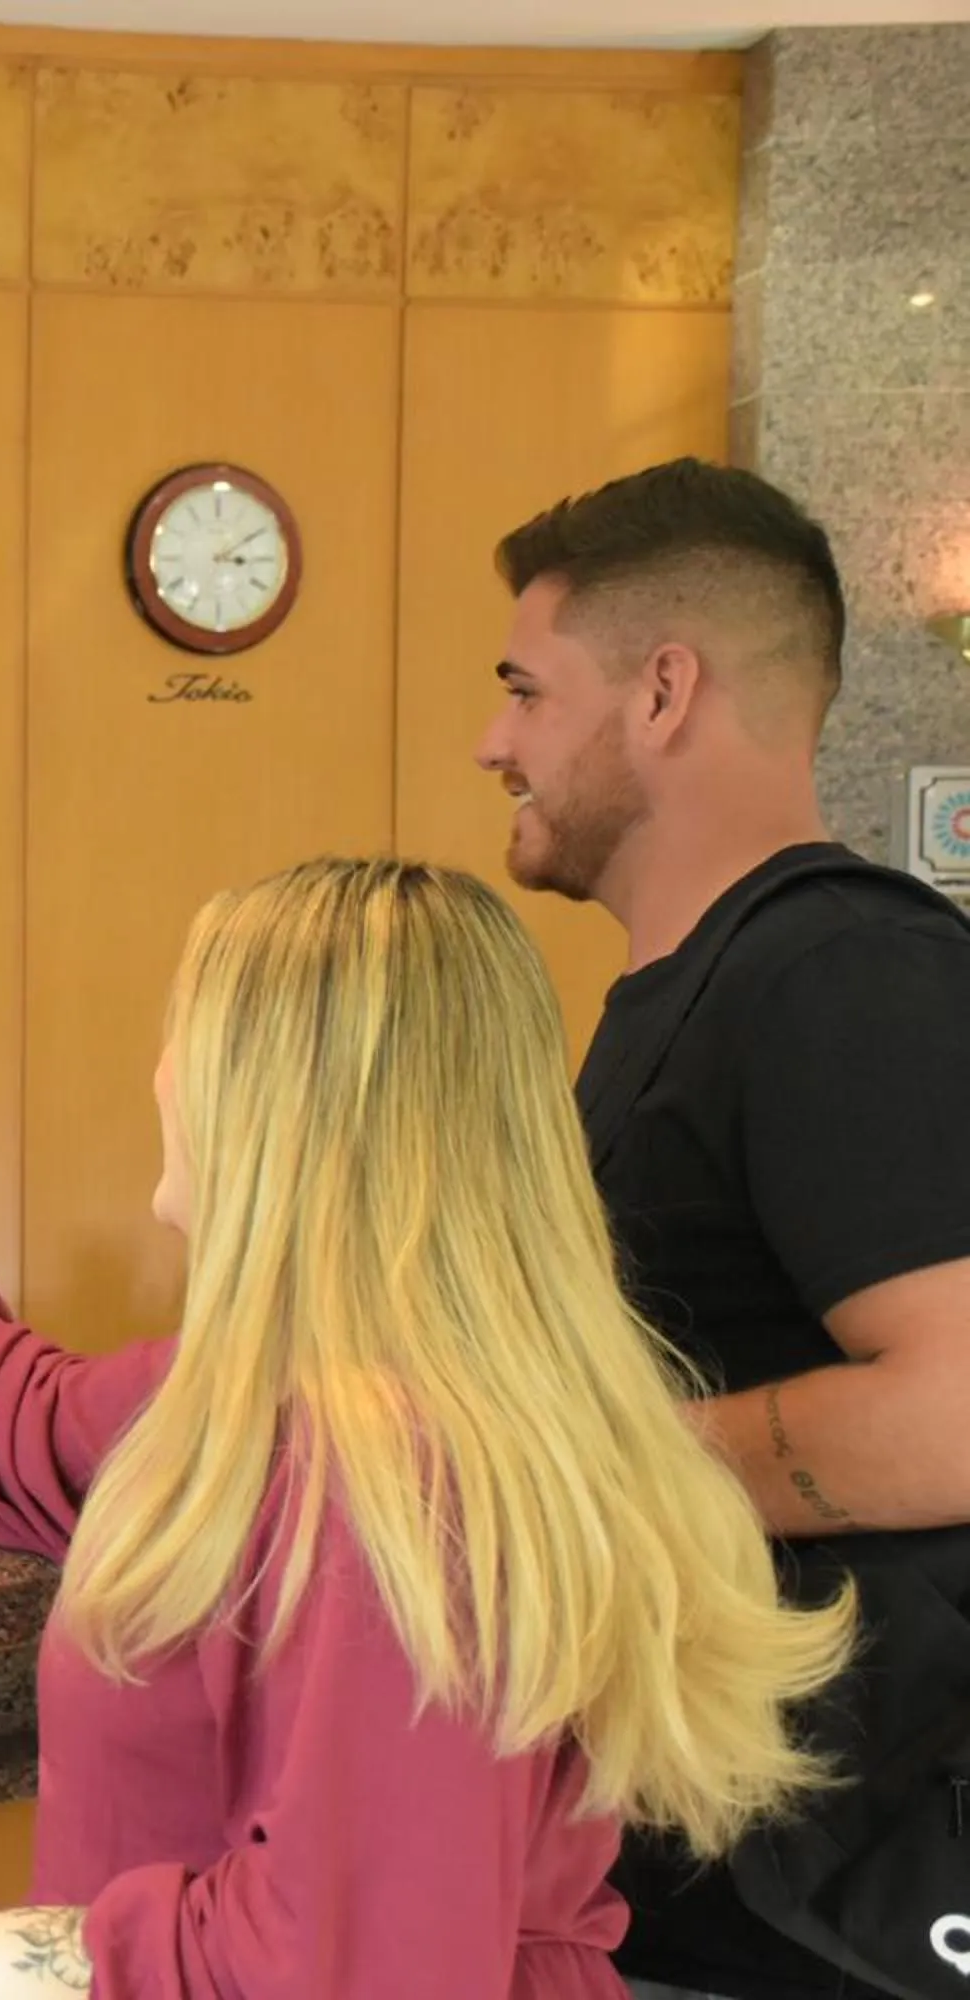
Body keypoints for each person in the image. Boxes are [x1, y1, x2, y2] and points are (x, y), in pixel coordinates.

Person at [0, 859, 852, 2000]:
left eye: (186, 1031)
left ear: (267, 1096)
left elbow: (352, 1954)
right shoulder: (267, 1406)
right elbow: (20, 1415)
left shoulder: (404, 1474)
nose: (161, 1071)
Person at [477, 457, 970, 2000]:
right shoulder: (692, 993)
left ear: (664, 691)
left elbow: (957, 1407)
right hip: (698, 1878)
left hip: (826, 1913)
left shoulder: (842, 978)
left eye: (526, 691)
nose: (494, 744)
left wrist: (581, 1467)